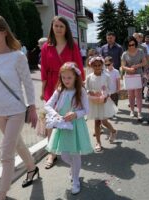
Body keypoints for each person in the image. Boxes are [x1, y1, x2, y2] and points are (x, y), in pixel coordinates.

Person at [0, 15, 38, 200]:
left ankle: (2, 194)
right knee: (17, 143)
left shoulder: (17, 56)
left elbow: (28, 83)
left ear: (4, 31)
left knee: (6, 151)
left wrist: (32, 107)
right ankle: (32, 167)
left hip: (16, 110)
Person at [40, 16, 85, 169]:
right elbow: (44, 70)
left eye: (61, 26)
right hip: (52, 84)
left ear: (66, 29)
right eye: (56, 26)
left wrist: (81, 86)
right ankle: (51, 152)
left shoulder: (72, 46)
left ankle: (69, 146)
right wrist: (42, 90)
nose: (58, 28)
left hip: (69, 84)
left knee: (67, 115)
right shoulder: (46, 46)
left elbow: (79, 66)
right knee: (51, 118)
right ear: (52, 27)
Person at [45, 62, 93, 194]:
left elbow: (86, 110)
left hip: (76, 126)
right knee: (65, 156)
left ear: (76, 77)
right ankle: (74, 168)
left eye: (69, 78)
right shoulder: (60, 90)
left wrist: (75, 114)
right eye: (63, 77)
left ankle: (76, 180)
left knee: (75, 154)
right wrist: (56, 115)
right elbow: (47, 105)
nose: (66, 80)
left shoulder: (81, 91)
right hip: (63, 126)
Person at [86, 56, 117, 152]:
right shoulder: (89, 77)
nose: (97, 67)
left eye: (99, 65)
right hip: (94, 102)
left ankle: (113, 131)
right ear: (91, 66)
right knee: (97, 121)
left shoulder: (106, 76)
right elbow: (87, 88)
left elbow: (109, 89)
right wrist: (90, 92)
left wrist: (106, 96)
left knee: (104, 121)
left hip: (104, 101)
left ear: (102, 65)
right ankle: (98, 142)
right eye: (95, 65)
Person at [121, 36, 147, 120]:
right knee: (130, 95)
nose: (131, 46)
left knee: (138, 95)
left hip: (138, 75)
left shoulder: (140, 51)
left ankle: (139, 112)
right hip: (129, 76)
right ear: (127, 45)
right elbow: (123, 66)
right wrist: (129, 69)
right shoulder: (125, 54)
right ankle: (132, 110)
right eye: (129, 45)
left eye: (133, 44)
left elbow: (144, 62)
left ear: (135, 43)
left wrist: (136, 66)